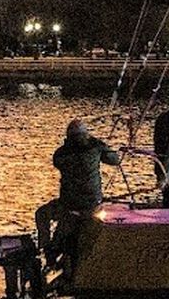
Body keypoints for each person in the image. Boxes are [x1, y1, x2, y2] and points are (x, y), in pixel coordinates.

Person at [36, 119, 121, 277]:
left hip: (68, 204)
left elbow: (58, 162)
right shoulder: (95, 148)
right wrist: (98, 143)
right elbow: (115, 160)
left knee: (41, 213)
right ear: (86, 135)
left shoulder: (61, 153)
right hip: (92, 204)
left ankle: (46, 249)